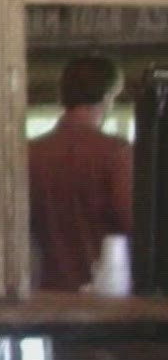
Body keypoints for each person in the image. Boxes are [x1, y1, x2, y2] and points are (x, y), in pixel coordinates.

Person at [28, 53, 132, 291]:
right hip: (107, 291)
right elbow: (131, 221)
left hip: (43, 294)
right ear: (107, 97)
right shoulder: (116, 153)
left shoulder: (29, 153)